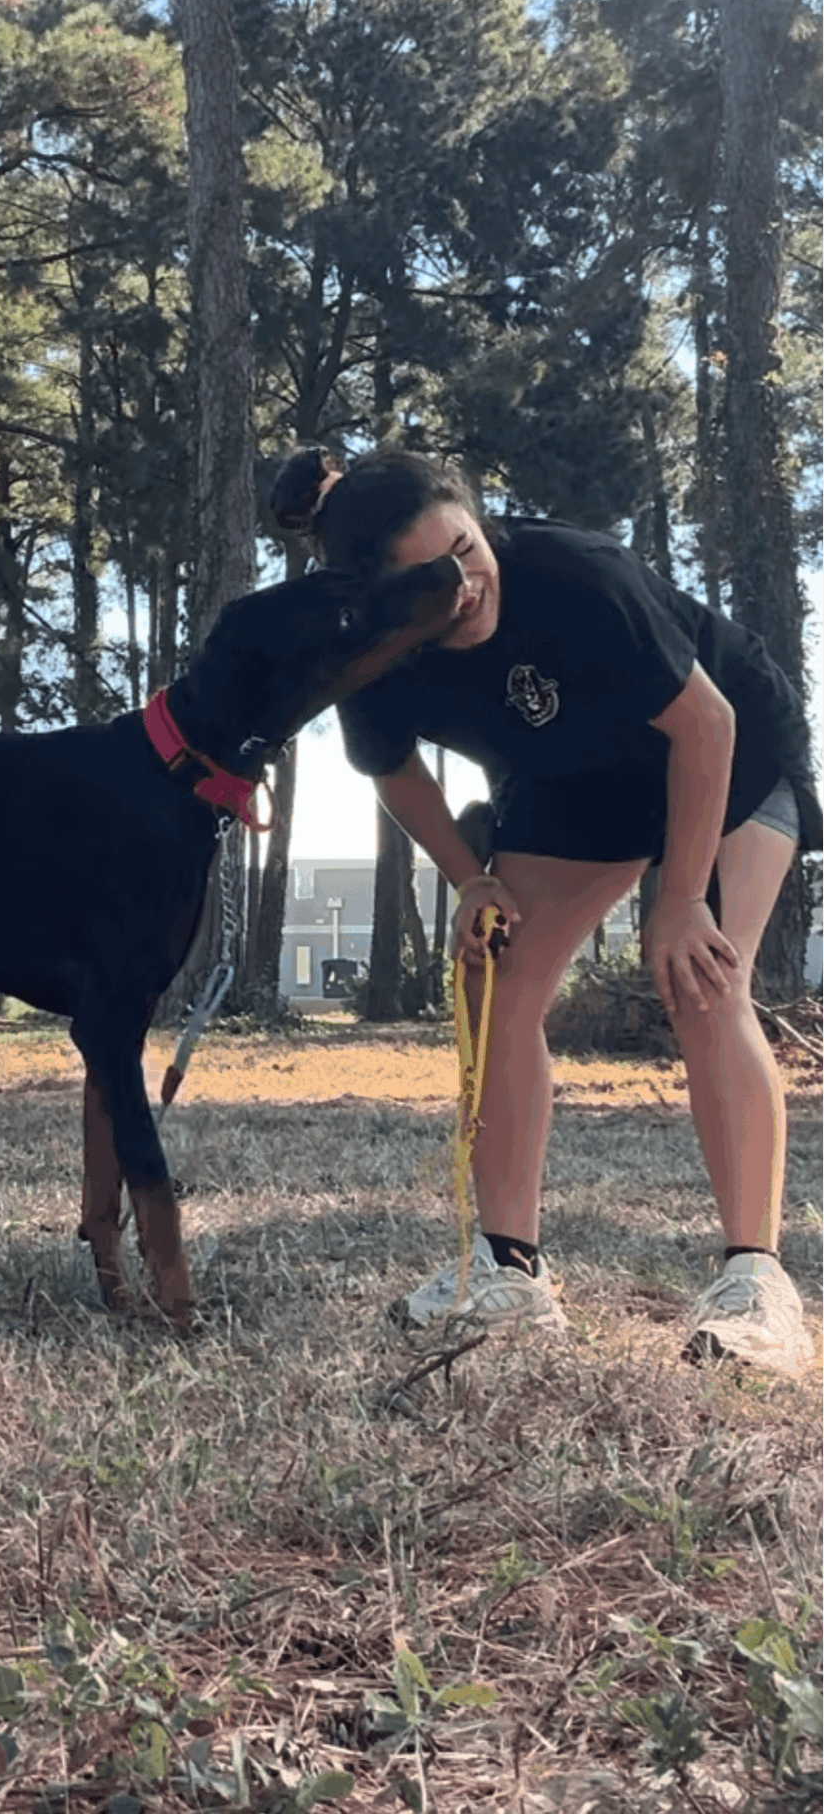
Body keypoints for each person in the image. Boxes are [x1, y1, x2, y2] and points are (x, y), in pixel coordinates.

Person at [272, 447, 823, 1376]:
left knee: (700, 976)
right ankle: (510, 1274)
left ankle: (756, 1285)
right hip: (572, 782)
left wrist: (682, 899)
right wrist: (470, 881)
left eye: (465, 551)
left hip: (726, 751)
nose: (463, 589)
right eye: (429, 583)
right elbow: (394, 772)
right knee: (491, 975)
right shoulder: (368, 653)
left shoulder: (579, 575)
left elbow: (707, 725)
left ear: (479, 521)